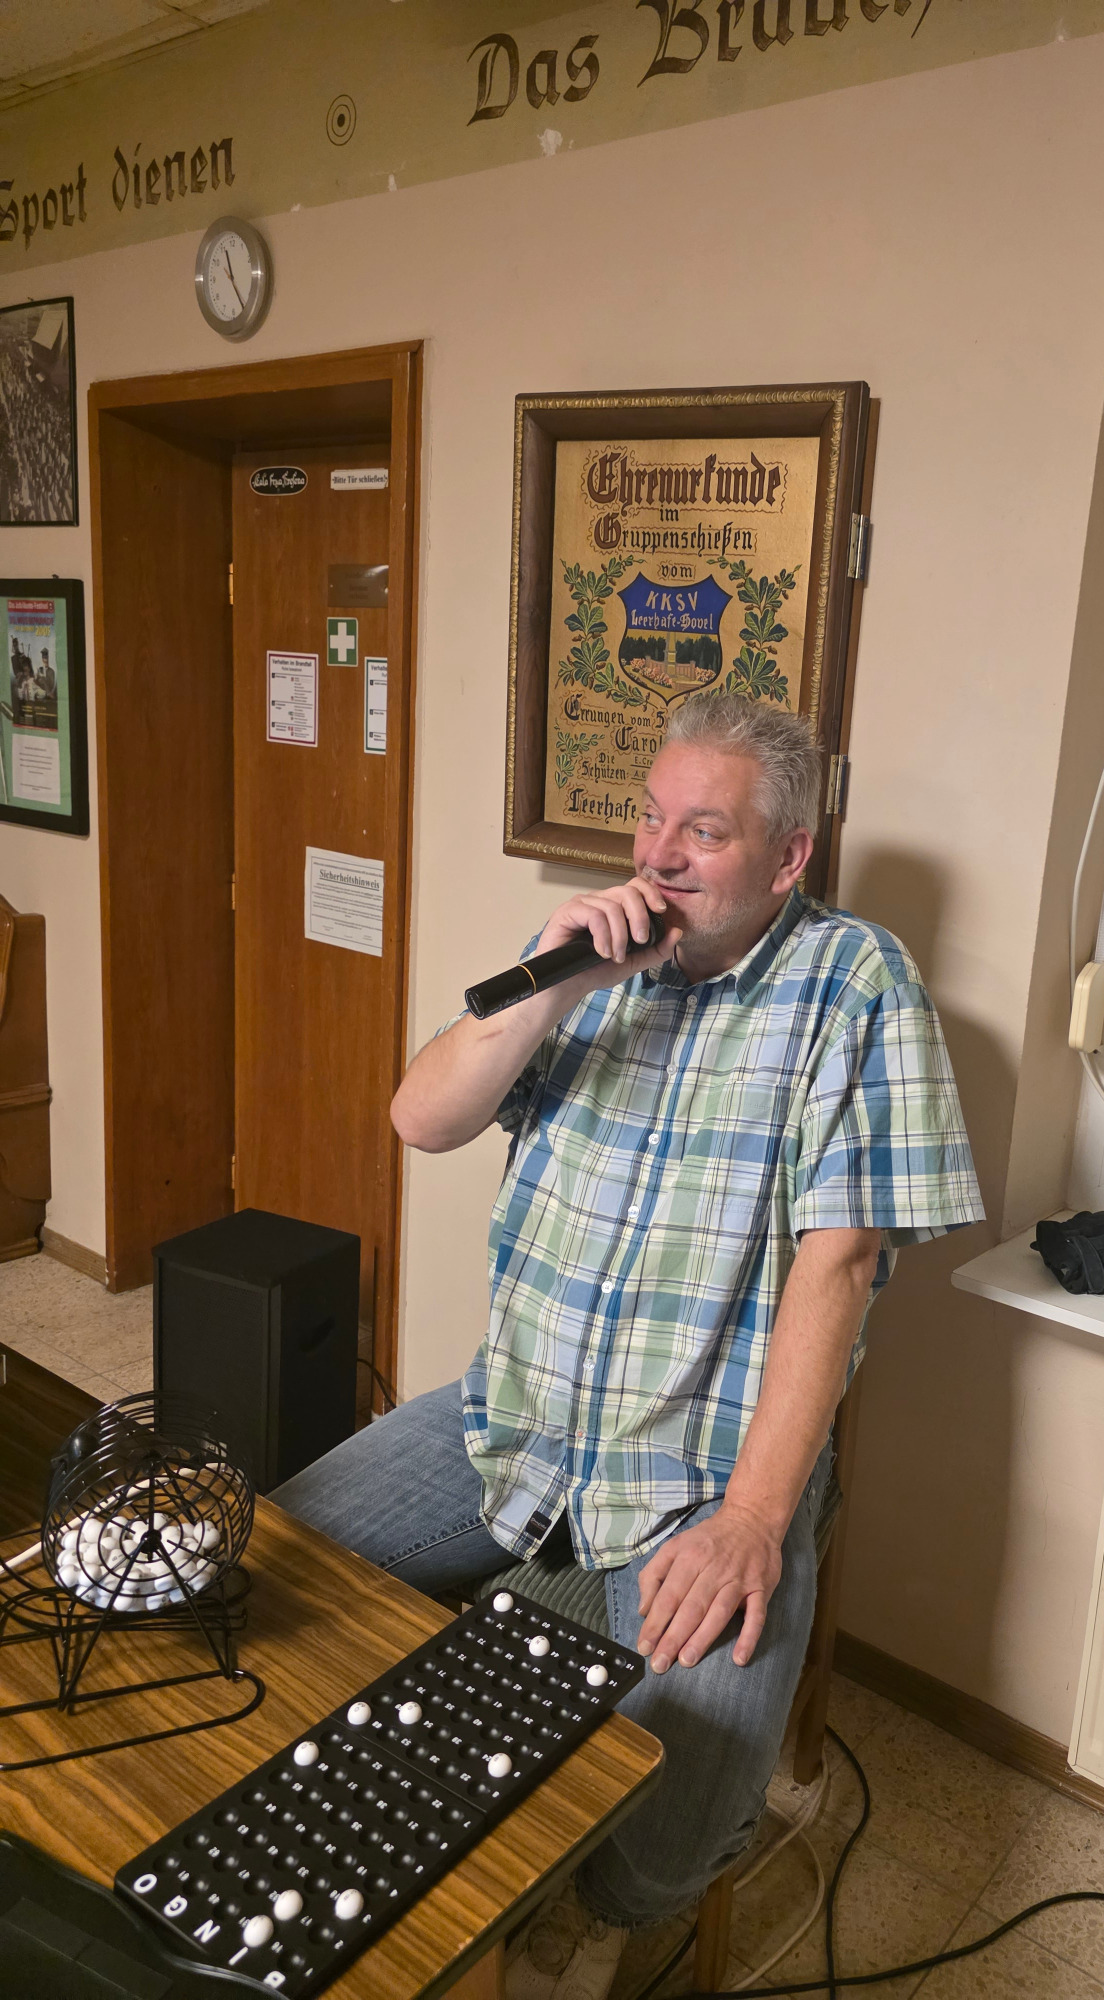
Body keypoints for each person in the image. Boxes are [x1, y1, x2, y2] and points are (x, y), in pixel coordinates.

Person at [274, 692, 983, 1998]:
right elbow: (422, 1118)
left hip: (699, 1471)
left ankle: (582, 1917)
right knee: (274, 1564)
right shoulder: (592, 957)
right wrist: (550, 987)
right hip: (514, 1420)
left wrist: (756, 1518)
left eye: (703, 832)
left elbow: (838, 1266)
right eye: (651, 818)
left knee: (666, 1830)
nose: (658, 853)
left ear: (788, 858)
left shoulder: (856, 985)